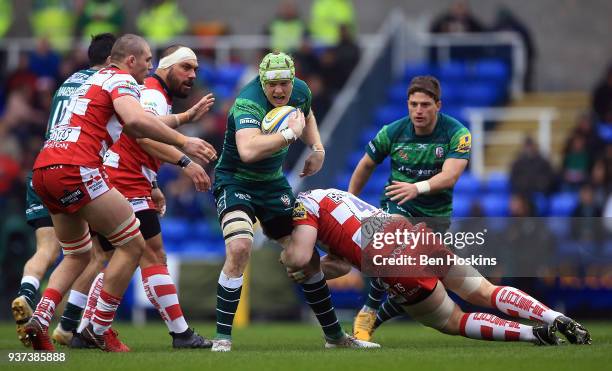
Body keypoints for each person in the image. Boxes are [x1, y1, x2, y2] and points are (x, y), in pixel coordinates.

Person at [23, 34, 216, 352]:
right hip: (80, 170)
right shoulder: (120, 80)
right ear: (130, 61)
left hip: (45, 169)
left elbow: (131, 124)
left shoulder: (86, 79)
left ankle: (41, 321)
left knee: (78, 254)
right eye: (147, 61)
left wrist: (182, 120)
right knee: (134, 245)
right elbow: (138, 123)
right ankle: (97, 328)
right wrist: (185, 144)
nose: (149, 68)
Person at [282, 188, 592, 346]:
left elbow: (305, 258)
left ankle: (531, 334)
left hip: (383, 255)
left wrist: (300, 267)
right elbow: (344, 261)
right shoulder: (325, 195)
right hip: (403, 229)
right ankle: (555, 317)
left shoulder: (300, 213)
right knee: (485, 289)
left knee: (453, 320)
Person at [211, 51, 374, 351]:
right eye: (272, 84)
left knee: (308, 258)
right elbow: (247, 151)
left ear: (292, 79)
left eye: (284, 83)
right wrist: (289, 135)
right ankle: (222, 338)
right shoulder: (247, 101)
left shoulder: (300, 91)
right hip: (235, 181)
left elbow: (307, 113)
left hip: (273, 184)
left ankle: (335, 338)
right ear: (261, 81)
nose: (279, 90)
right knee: (239, 246)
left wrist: (317, 147)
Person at [11, 33, 116, 348]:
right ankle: (69, 323)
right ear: (115, 60)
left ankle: (27, 293)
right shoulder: (106, 85)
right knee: (99, 252)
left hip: (43, 167)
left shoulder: (67, 82)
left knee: (47, 249)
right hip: (75, 171)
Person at [347, 75, 471, 340]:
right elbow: (366, 165)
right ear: (407, 104)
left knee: (418, 286)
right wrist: (349, 200)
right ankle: (368, 309)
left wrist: (417, 187)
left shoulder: (457, 133)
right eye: (413, 104)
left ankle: (375, 319)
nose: (418, 110)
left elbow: (450, 176)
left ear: (438, 104)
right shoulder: (392, 131)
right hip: (398, 205)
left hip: (436, 216)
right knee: (391, 248)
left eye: (425, 104)